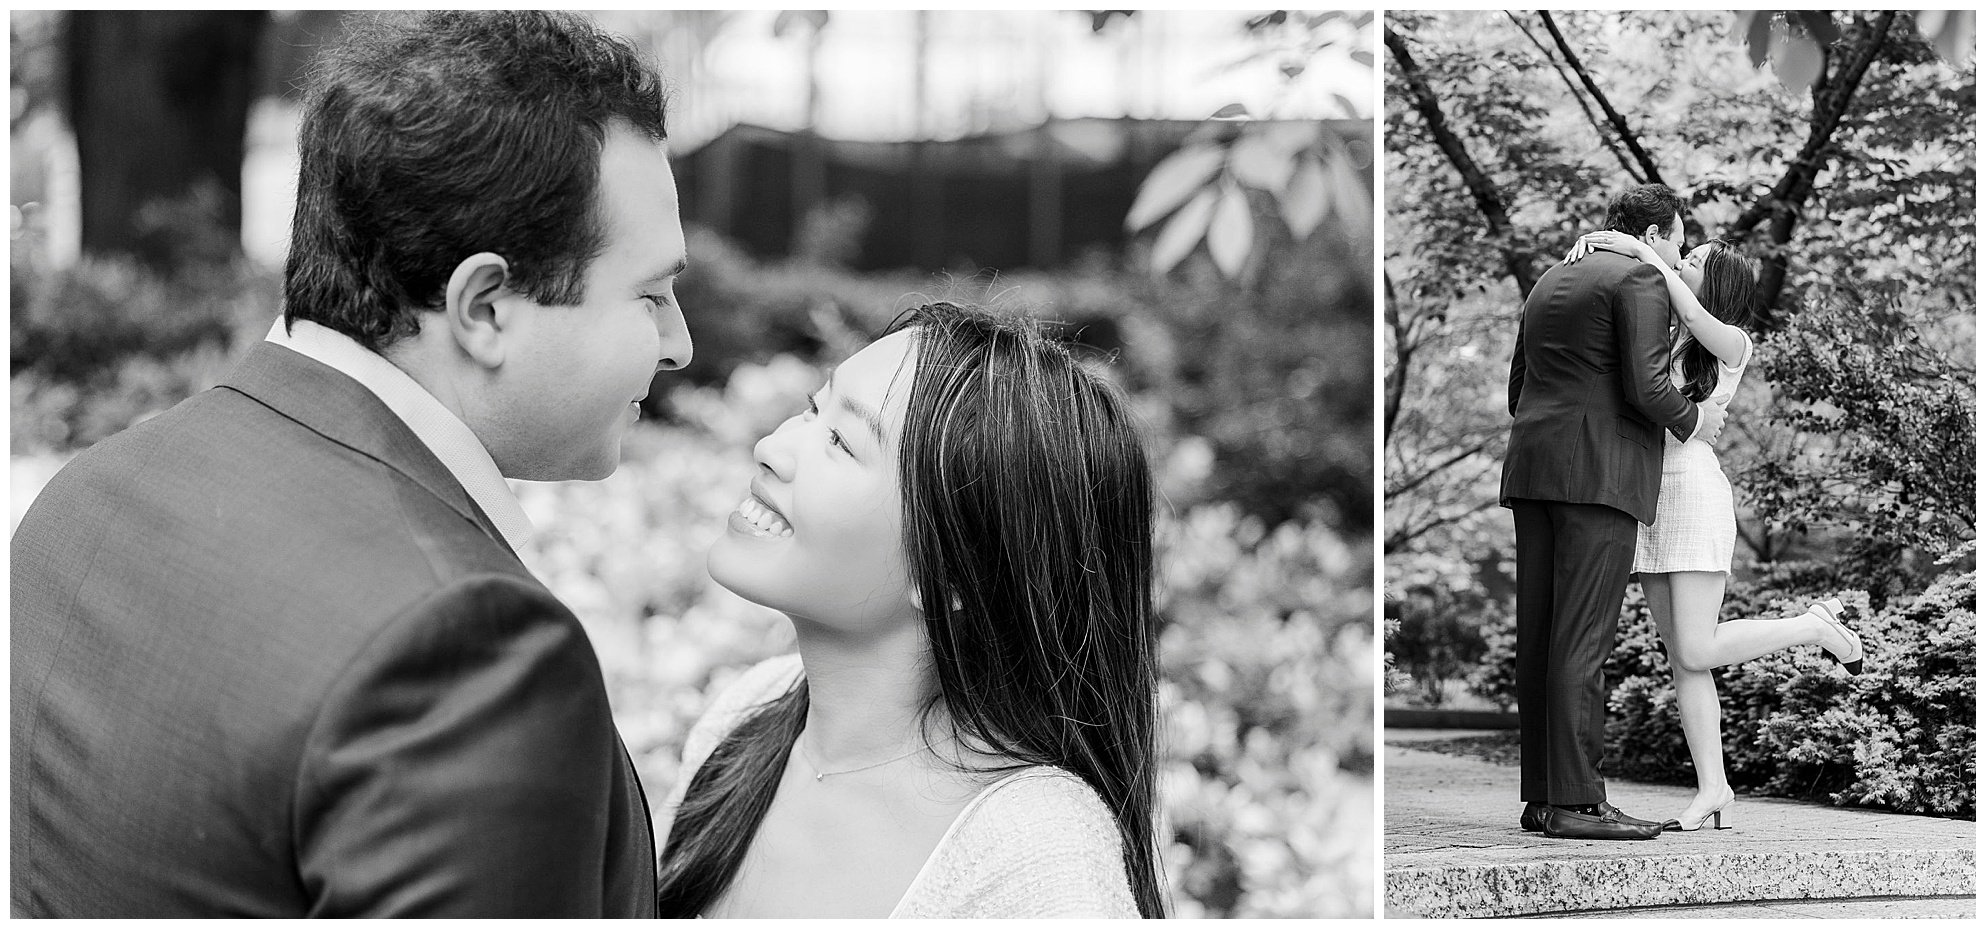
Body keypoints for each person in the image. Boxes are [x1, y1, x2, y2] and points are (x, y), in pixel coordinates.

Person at [11, 12, 687, 916]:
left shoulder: (92, 491)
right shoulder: (464, 651)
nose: (679, 343)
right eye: (649, 295)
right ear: (485, 307)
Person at [654, 302, 1165, 918]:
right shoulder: (746, 719)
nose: (772, 447)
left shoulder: (1033, 854)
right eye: (815, 409)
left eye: (841, 442)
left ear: (953, 572)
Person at [1563, 231, 1865, 832]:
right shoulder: (1665, 332)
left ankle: (1812, 625)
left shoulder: (1731, 341)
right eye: (1683, 255)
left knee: (1697, 647)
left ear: (1717, 280)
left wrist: (1641, 252)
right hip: (1649, 498)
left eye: (1694, 260)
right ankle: (1715, 788)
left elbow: (1687, 305)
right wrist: (1603, 246)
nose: (1681, 262)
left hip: (1696, 495)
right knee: (1684, 661)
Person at [1498, 183, 1728, 841]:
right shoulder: (1639, 280)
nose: (1677, 256)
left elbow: (1519, 389)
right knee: (1584, 634)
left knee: (1541, 633)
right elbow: (1649, 383)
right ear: (1655, 236)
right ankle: (1577, 801)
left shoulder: (1549, 278)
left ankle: (1542, 798)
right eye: (1678, 242)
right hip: (1598, 474)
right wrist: (1695, 421)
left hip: (1534, 467)